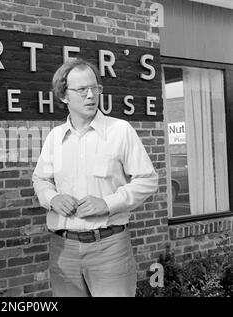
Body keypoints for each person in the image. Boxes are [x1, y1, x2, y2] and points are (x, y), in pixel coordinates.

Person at [32, 58, 158, 297]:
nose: (91, 95)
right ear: (64, 95)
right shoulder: (54, 138)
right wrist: (52, 199)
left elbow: (147, 179)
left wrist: (108, 203)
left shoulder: (120, 131)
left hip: (109, 248)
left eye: (95, 88)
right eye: (81, 90)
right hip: (63, 248)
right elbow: (40, 180)